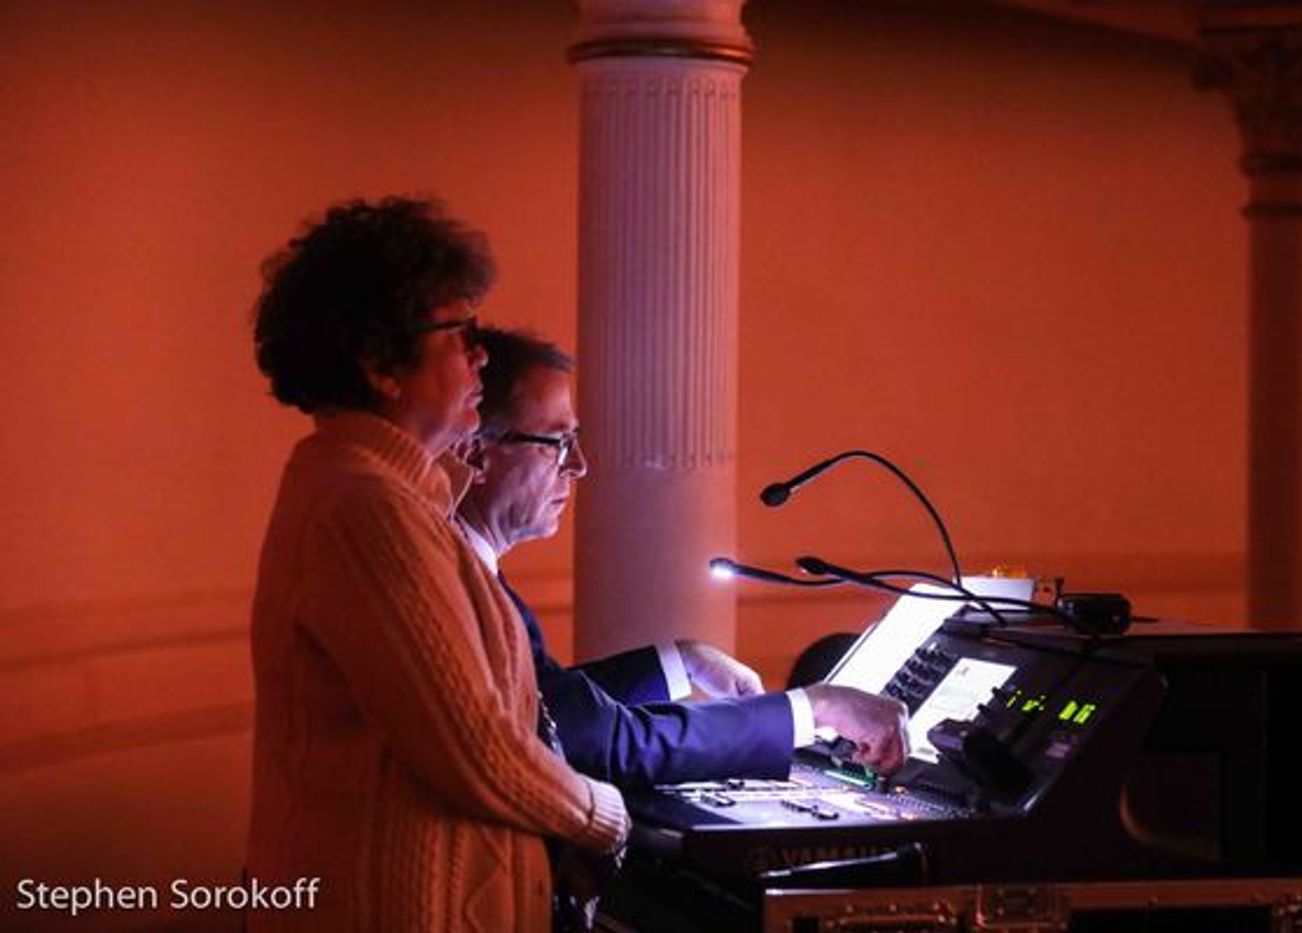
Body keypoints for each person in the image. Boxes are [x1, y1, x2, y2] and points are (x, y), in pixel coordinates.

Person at [246, 198, 628, 933]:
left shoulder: (386, 494)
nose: (481, 356)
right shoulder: (366, 508)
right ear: (380, 364)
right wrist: (601, 816)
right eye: (462, 334)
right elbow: (477, 746)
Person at [454, 327, 909, 789]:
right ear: (475, 455)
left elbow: (552, 704)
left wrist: (682, 661)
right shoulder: (460, 579)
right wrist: (815, 709)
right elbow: (604, 742)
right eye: (558, 443)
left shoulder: (469, 564)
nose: (579, 465)